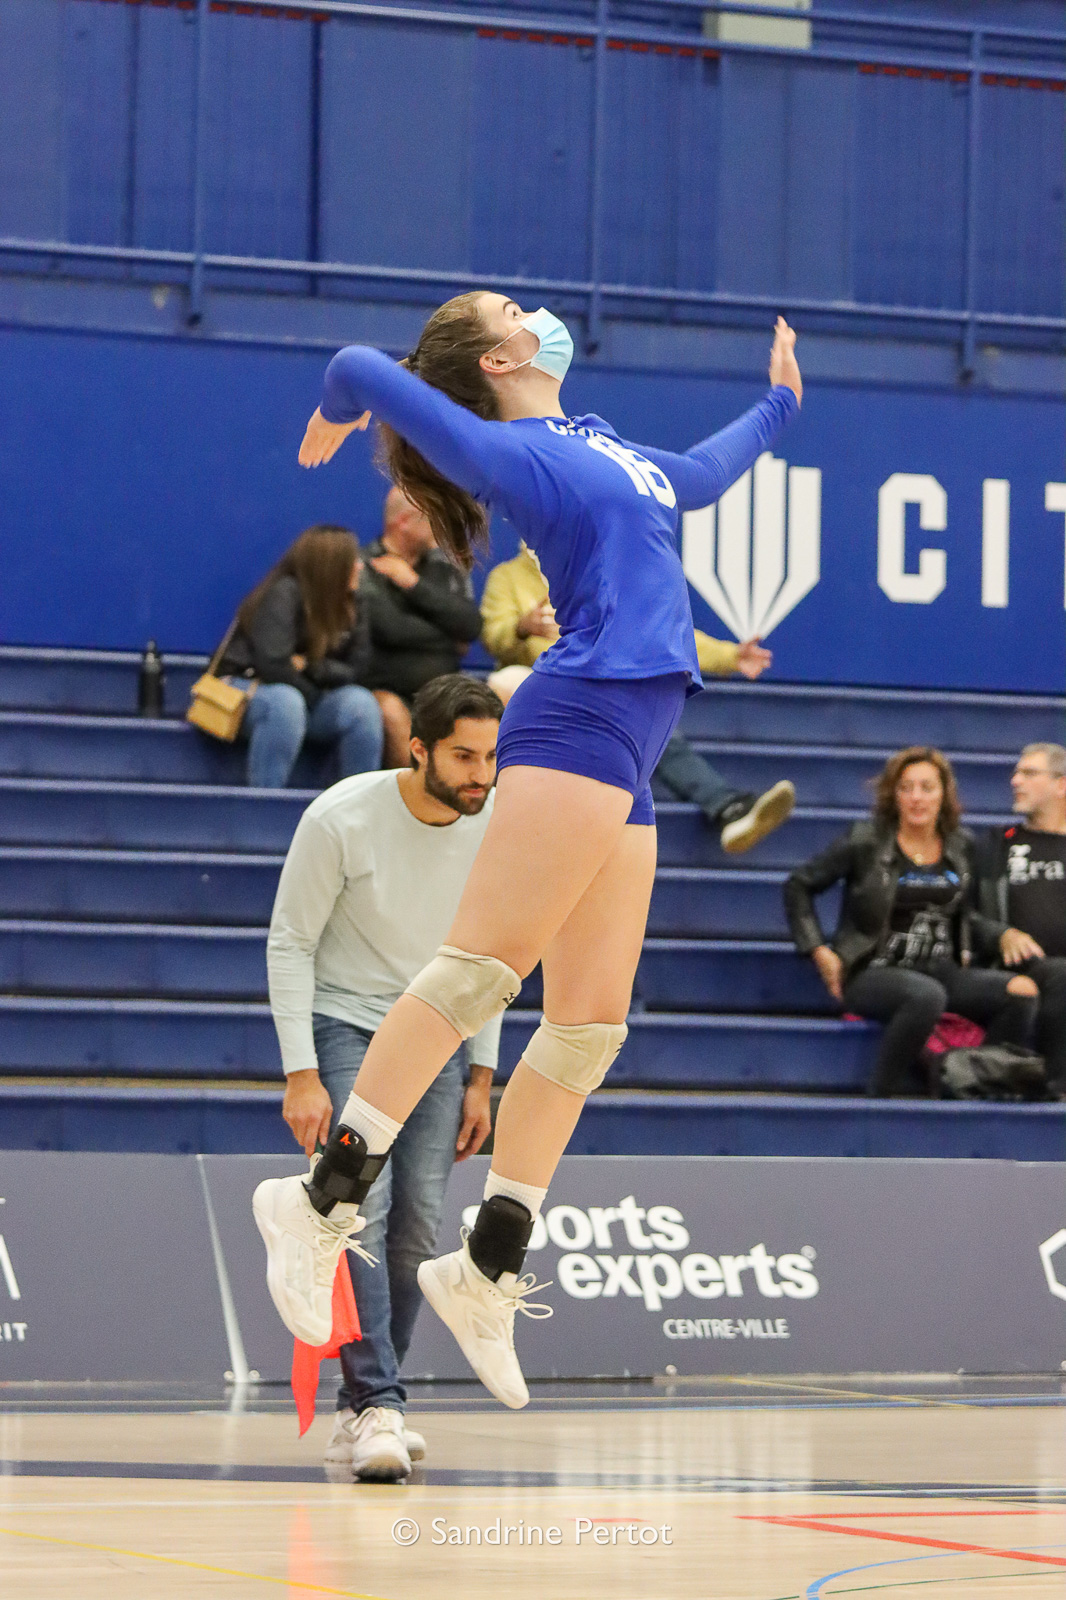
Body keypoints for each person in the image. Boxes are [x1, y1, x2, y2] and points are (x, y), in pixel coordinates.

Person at [253, 292, 802, 1411]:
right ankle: (316, 1202)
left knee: (591, 1026)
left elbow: (699, 473)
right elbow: (360, 354)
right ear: (501, 358)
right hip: (582, 711)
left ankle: (488, 1261)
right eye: (514, 311)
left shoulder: (600, 444)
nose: (538, 312)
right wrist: (334, 411)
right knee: (476, 972)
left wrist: (779, 404)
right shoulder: (512, 450)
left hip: (637, 729)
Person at [268, 674, 504, 1479]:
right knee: (354, 1214)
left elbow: (492, 954)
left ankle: (366, 1402)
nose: (481, 774)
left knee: (417, 1229)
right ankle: (381, 1405)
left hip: (440, 1031)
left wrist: (483, 1070)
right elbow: (290, 942)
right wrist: (302, 1070)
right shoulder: (340, 815)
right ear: (418, 748)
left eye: (491, 758)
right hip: (345, 1022)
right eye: (464, 756)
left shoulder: (496, 827)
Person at [480, 543, 795, 853]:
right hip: (535, 686)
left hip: (594, 689)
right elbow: (494, 637)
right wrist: (521, 628)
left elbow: (657, 632)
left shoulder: (601, 577)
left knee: (648, 720)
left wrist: (731, 656)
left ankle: (730, 809)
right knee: (507, 682)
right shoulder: (506, 577)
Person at [784, 746, 1039, 1097]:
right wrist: (818, 949)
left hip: (941, 968)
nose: (917, 798)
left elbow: (968, 916)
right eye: (907, 788)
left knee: (1021, 992)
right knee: (925, 996)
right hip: (873, 968)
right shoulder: (866, 840)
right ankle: (880, 1097)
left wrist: (1003, 934)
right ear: (894, 794)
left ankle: (970, 1079)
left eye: (927, 788)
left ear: (943, 794)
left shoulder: (961, 845)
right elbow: (799, 885)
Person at [219, 524, 383, 787]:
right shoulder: (284, 592)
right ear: (331, 567)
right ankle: (264, 808)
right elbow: (272, 665)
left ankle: (356, 811)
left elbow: (360, 668)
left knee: (362, 705)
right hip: (245, 690)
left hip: (306, 692)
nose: (360, 566)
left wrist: (311, 666)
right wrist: (315, 692)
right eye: (353, 560)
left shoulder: (354, 601)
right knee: (286, 703)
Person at [360, 485, 484, 766]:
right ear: (403, 521)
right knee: (391, 712)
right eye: (432, 518)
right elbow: (388, 628)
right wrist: (447, 636)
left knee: (483, 713)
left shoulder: (444, 567)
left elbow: (471, 625)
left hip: (443, 688)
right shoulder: (367, 565)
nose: (440, 526)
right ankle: (411, 801)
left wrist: (413, 584)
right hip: (386, 687)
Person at [975, 742, 1066, 1096]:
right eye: (1016, 773)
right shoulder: (999, 844)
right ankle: (1059, 1089)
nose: (1016, 781)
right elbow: (965, 914)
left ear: (1061, 785)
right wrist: (1001, 933)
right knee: (1062, 974)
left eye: (1029, 773)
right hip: (1020, 967)